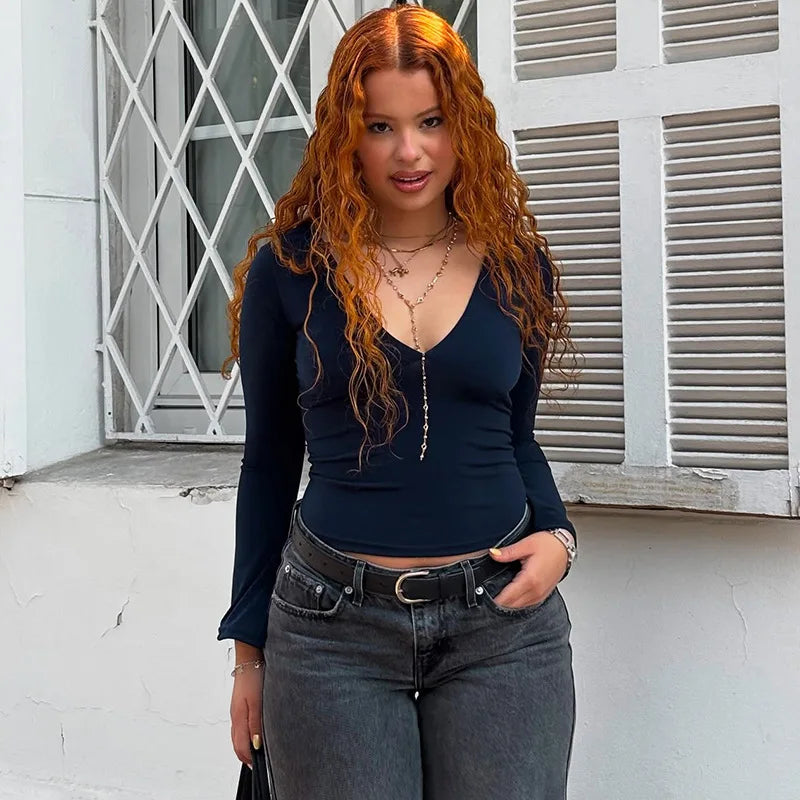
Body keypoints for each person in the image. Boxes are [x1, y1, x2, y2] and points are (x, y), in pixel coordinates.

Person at [217, 3, 579, 798]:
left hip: (502, 627)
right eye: (380, 126)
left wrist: (559, 537)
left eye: (431, 121)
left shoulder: (519, 269)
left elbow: (516, 437)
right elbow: (270, 465)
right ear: (347, 133)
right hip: (330, 631)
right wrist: (248, 655)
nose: (409, 151)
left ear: (466, 126)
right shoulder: (291, 273)